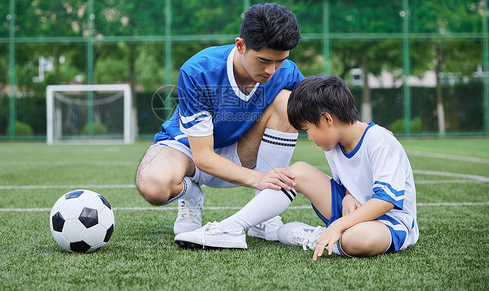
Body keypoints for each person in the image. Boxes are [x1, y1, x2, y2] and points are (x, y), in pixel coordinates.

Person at [174, 75, 419, 260]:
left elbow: (386, 200)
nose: (309, 137)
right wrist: (348, 194)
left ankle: (318, 237)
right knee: (296, 171)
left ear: (327, 119)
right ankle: (231, 228)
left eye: (307, 129)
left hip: (390, 221)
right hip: (353, 213)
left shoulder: (379, 140)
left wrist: (337, 225)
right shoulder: (334, 143)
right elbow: (351, 181)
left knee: (359, 239)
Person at [135, 3, 304, 241]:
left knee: (290, 102)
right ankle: (191, 196)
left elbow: (324, 118)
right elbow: (203, 157)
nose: (272, 70)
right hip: (188, 151)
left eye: (280, 61)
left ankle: (264, 215)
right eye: (263, 60)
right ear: (240, 45)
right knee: (153, 186)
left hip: (241, 150)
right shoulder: (198, 71)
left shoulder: (288, 72)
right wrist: (259, 180)